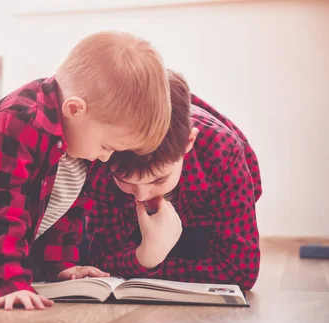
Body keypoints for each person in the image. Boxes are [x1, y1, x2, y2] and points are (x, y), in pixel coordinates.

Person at [0, 31, 173, 310]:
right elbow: (2, 213)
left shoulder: (80, 142)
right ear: (75, 109)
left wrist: (62, 268)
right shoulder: (11, 126)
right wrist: (7, 284)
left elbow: (67, 214)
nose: (106, 156)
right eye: (106, 146)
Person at [83, 70, 262, 290]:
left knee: (195, 246)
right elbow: (102, 257)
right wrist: (146, 257)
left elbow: (240, 271)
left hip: (201, 224)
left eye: (158, 180)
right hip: (134, 235)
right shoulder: (101, 155)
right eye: (123, 179)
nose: (141, 195)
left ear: (189, 143)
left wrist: (145, 267)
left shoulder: (222, 150)